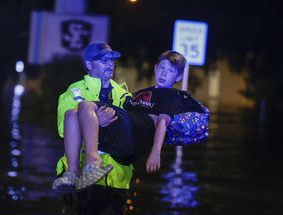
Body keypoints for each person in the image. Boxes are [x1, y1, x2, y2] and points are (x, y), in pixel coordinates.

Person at [53, 50, 205, 191]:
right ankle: (72, 172)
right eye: (162, 69)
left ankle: (93, 163)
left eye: (171, 71)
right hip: (124, 131)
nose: (164, 74)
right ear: (155, 68)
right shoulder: (140, 93)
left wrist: (155, 152)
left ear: (178, 77)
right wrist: (97, 120)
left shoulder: (171, 96)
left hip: (137, 132)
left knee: (85, 105)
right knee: (72, 114)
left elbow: (162, 122)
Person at [55, 41, 133, 215]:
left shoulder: (123, 95)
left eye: (112, 60)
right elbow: (65, 127)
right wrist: (96, 120)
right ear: (89, 65)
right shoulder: (75, 92)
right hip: (87, 177)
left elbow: (134, 130)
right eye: (103, 60)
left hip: (118, 178)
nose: (110, 64)